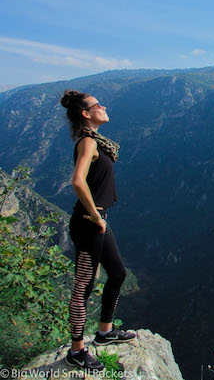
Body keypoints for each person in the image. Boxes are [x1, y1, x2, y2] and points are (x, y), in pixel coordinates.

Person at [60, 89, 135, 371]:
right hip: (88, 223)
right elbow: (77, 181)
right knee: (84, 287)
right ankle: (76, 351)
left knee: (118, 273)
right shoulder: (87, 143)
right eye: (97, 105)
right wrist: (95, 215)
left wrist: (99, 217)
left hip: (98, 221)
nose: (103, 107)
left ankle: (104, 332)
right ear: (85, 113)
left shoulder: (95, 141)